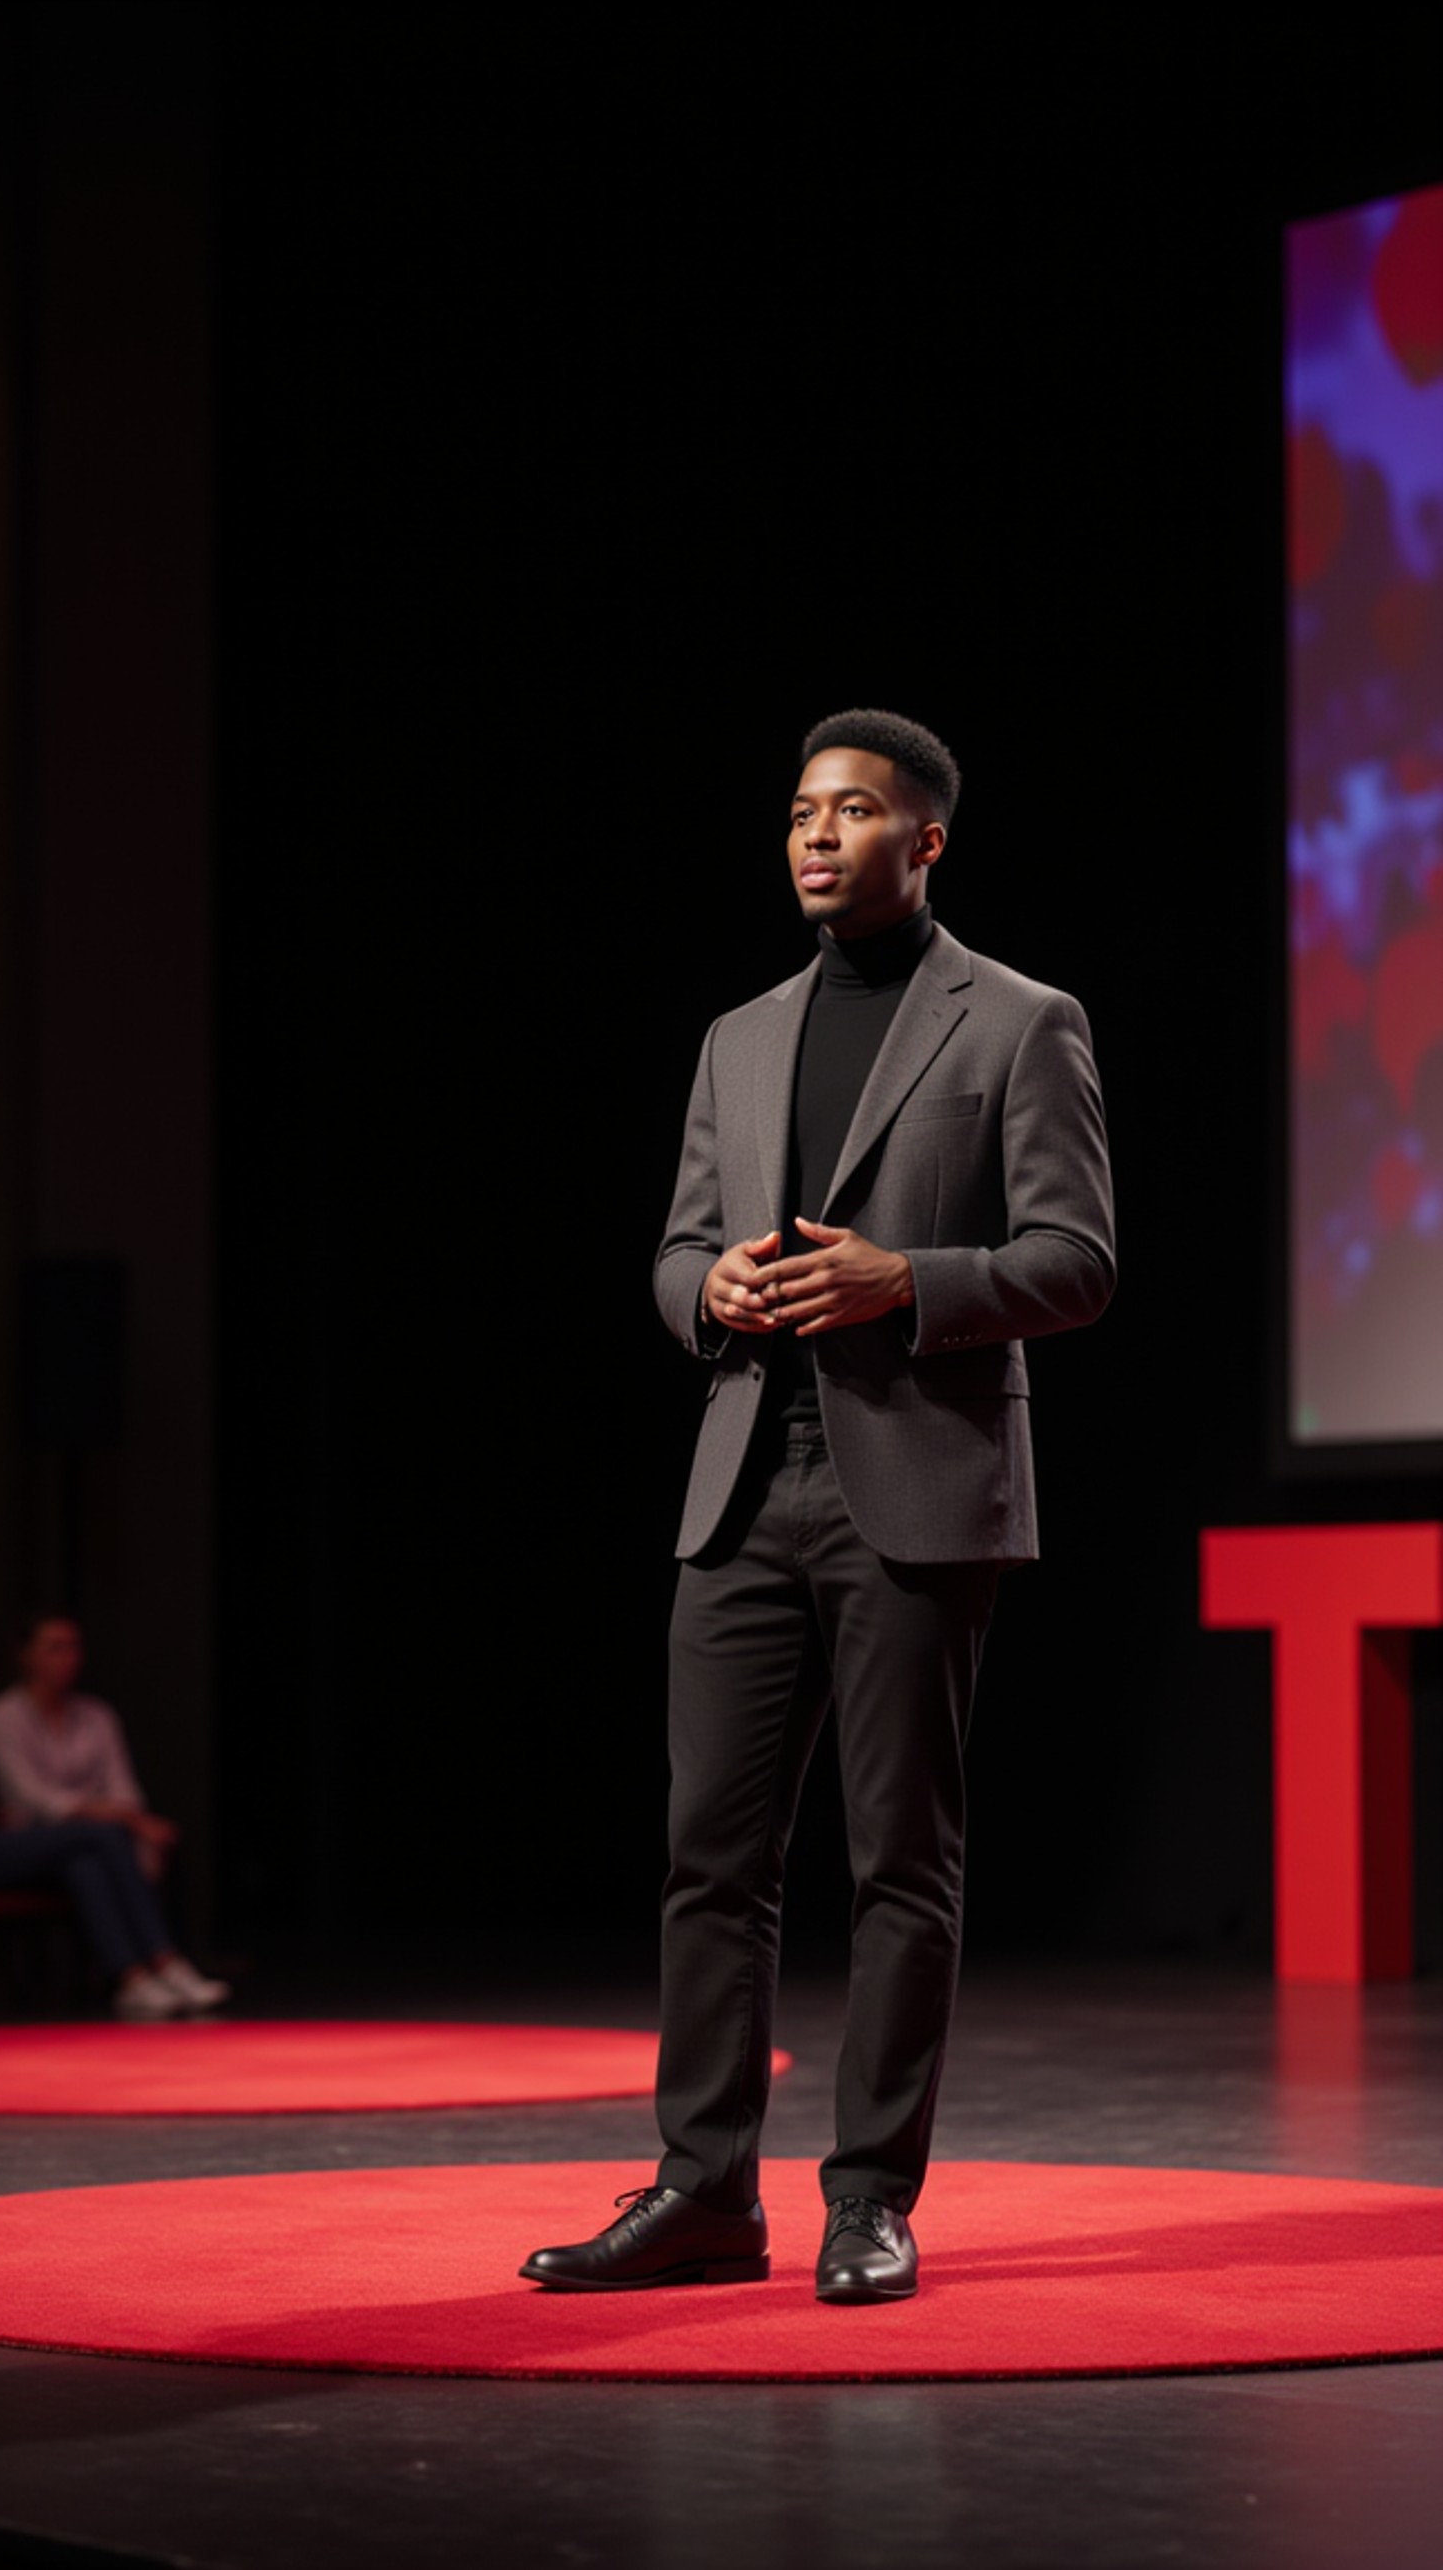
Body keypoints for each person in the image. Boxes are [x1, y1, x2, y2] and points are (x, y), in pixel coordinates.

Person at [523, 710, 1114, 2303]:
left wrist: (901, 1280)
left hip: (914, 1487)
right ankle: (705, 2187)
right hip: (741, 1483)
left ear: (926, 840)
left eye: (854, 810)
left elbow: (1078, 1261)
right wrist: (701, 1289)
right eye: (799, 809)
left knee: (897, 1863)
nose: (816, 833)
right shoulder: (737, 1033)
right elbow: (670, 1248)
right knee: (708, 1855)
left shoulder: (1020, 1021)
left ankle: (870, 2195)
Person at [0, 1613, 228, 2018]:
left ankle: (132, 1979)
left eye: (73, 1647)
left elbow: (125, 1792)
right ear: (25, 1655)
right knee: (103, 1838)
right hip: (24, 1844)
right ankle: (164, 1959)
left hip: (90, 1847)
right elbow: (35, 1801)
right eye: (54, 1647)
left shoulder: (97, 1717)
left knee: (87, 1863)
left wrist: (121, 1820)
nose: (67, 1658)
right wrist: (124, 1822)